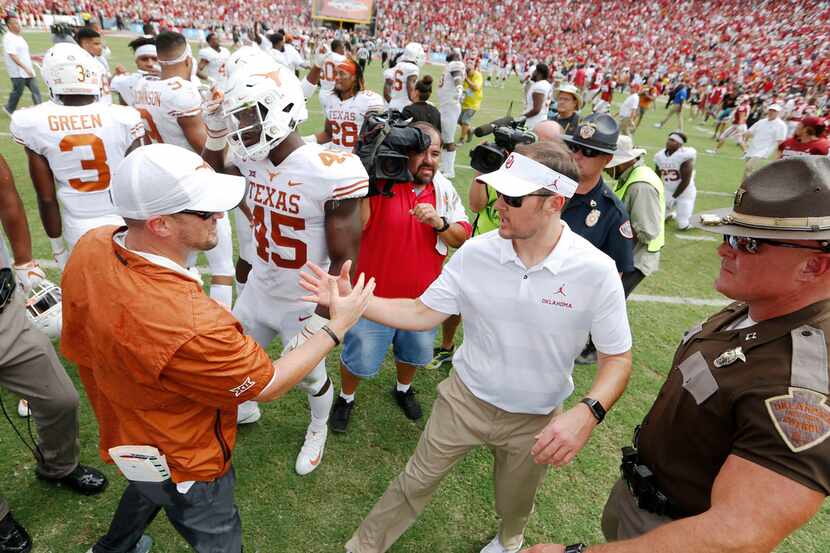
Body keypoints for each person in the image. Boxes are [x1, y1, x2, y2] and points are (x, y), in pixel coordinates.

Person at [299, 142, 633, 553]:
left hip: (535, 417)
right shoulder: (476, 252)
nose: (499, 205)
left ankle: (509, 540)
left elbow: (617, 358)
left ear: (554, 203)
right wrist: (357, 302)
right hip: (463, 400)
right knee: (413, 482)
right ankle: (363, 547)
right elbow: (423, 312)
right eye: (499, 193)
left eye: (513, 197)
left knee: (515, 503)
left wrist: (589, 411)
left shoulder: (595, 270)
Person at [62, 143, 373, 553]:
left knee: (147, 484)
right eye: (204, 209)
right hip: (187, 451)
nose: (219, 215)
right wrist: (336, 326)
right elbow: (268, 384)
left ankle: (112, 548)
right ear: (160, 225)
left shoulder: (94, 243)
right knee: (216, 533)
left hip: (127, 421)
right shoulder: (193, 324)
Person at [524, 156, 830, 553]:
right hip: (644, 498)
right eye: (729, 234)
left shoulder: (805, 379)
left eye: (747, 241)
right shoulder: (760, 306)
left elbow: (737, 534)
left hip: (674, 531)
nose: (724, 250)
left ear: (813, 266)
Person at [204, 50, 369, 473]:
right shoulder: (249, 159)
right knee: (235, 360)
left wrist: (321, 318)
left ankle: (319, 426)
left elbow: (345, 255)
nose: (242, 127)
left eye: (247, 117)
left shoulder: (329, 170)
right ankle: (248, 409)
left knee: (311, 376)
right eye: (237, 117)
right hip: (261, 286)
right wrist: (216, 132)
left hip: (303, 297)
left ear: (282, 111)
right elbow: (211, 187)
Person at [328, 122, 471, 433]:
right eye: (421, 152)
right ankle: (346, 396)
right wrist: (367, 177)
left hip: (424, 301)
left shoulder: (444, 189)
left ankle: (403, 389)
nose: (429, 160)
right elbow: (358, 226)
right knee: (360, 358)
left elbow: (460, 238)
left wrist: (440, 223)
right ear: (404, 152)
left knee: (415, 354)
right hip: (372, 299)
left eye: (435, 153)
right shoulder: (381, 183)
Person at [0, 153, 108, 553]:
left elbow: (7, 197)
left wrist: (24, 258)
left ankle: (58, 465)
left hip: (3, 312)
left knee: (60, 399)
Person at [9, 43, 145, 266]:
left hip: (79, 225)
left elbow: (46, 197)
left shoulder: (33, 121)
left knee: (88, 295)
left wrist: (57, 247)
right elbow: (140, 181)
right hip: (127, 220)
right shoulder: (124, 117)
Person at [133, 31, 235, 307]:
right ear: (188, 58)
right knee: (223, 268)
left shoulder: (142, 86)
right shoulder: (183, 92)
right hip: (194, 183)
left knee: (175, 264)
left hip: (161, 181)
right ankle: (218, 332)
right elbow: (205, 146)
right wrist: (221, 126)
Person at [560, 114, 634, 365]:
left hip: (564, 310)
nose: (578, 156)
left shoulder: (612, 212)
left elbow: (616, 275)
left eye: (589, 152)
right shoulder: (549, 188)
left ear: (608, 159)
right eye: (575, 147)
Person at [606, 135, 665, 295]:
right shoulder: (629, 175)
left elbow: (647, 231)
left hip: (635, 258)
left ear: (625, 160)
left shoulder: (641, 185)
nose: (606, 169)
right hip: (626, 254)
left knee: (610, 302)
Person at [312, 58, 384, 153]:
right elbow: (328, 134)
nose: (337, 77)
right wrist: (304, 141)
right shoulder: (331, 99)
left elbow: (375, 138)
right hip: (335, 157)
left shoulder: (370, 100)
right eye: (336, 73)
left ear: (354, 77)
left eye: (342, 73)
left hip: (359, 158)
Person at [653, 132, 697, 230]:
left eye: (673, 140)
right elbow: (656, 176)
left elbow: (685, 182)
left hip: (685, 193)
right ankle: (670, 215)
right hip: (668, 189)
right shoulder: (660, 156)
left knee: (683, 225)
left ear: (680, 144)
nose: (669, 142)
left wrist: (673, 197)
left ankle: (697, 221)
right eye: (669, 139)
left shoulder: (685, 157)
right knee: (657, 219)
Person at [2, 14, 41, 115]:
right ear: (9, 25)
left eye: (18, 22)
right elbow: (13, 56)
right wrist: (25, 68)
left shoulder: (19, 37)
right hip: (18, 72)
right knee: (17, 92)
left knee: (35, 90)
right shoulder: (8, 38)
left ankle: (41, 110)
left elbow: (23, 53)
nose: (18, 25)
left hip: (28, 70)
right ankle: (9, 108)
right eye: (15, 23)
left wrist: (33, 57)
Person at [437, 52, 465, 178]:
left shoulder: (455, 65)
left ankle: (449, 170)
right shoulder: (449, 66)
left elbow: (457, 76)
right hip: (446, 105)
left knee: (449, 139)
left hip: (450, 105)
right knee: (443, 137)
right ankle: (444, 166)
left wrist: (459, 88)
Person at [111, 36, 159, 107]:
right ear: (136, 61)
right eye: (144, 59)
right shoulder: (125, 81)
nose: (150, 64)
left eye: (154, 59)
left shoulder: (169, 80)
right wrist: (115, 75)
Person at [742, 103, 787, 177]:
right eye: (770, 110)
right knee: (748, 171)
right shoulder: (761, 122)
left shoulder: (781, 125)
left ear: (778, 113)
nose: (771, 112)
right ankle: (744, 187)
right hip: (752, 148)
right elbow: (749, 132)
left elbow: (781, 141)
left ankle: (745, 188)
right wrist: (745, 136)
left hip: (764, 151)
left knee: (749, 167)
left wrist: (778, 156)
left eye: (774, 111)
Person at [75, 27, 112, 105]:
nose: (100, 47)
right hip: (94, 109)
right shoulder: (78, 65)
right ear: (84, 44)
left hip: (106, 106)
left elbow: (105, 83)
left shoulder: (99, 60)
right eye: (96, 44)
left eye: (100, 44)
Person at [385, 42, 424, 112]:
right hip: (405, 107)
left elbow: (386, 93)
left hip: (391, 105)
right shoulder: (413, 68)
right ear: (415, 56)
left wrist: (393, 104)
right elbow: (411, 94)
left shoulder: (397, 66)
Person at [459, 60, 484, 143]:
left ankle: (461, 140)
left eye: (469, 70)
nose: (468, 72)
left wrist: (466, 79)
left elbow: (475, 87)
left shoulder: (478, 76)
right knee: (459, 121)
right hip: (464, 102)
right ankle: (470, 130)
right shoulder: (464, 75)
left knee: (465, 121)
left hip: (473, 104)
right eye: (467, 70)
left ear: (474, 69)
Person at [523, 63, 552, 130]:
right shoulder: (546, 84)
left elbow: (536, 109)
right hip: (541, 118)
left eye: (535, 71)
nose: (532, 73)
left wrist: (523, 117)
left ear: (539, 73)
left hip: (534, 122)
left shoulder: (539, 86)